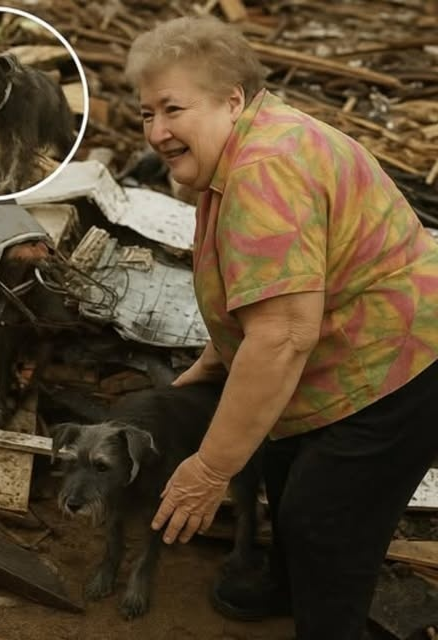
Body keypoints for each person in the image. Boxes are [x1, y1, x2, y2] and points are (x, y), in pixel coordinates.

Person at [125, 15, 438, 640]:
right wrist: (218, 355)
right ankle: (288, 586)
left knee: (325, 520)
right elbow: (269, 284)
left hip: (397, 363)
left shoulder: (264, 170)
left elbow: (283, 336)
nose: (156, 131)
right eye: (146, 114)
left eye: (173, 109)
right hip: (344, 342)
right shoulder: (247, 143)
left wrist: (209, 469)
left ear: (231, 100)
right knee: (281, 457)